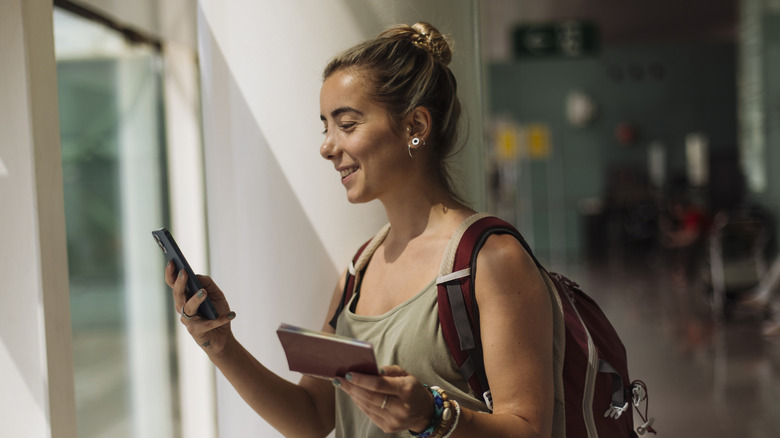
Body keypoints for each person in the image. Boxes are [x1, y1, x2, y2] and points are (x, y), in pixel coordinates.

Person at [167, 22, 558, 438]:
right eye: (325, 127)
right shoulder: (357, 272)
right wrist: (222, 346)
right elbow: (313, 416)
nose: (327, 147)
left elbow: (530, 429)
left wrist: (433, 417)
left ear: (415, 126)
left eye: (347, 124)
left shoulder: (491, 260)